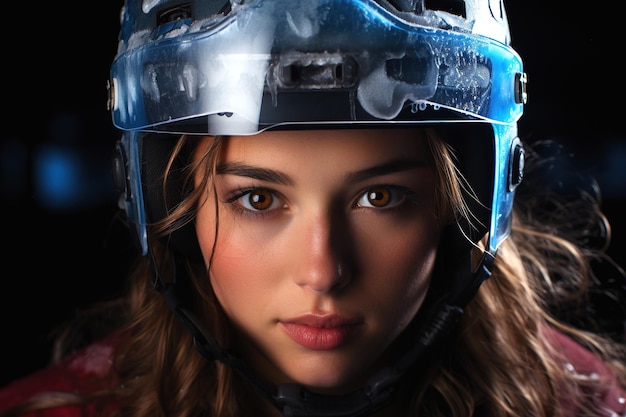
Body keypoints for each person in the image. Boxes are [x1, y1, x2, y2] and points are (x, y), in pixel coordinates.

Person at [1, 0, 625, 416]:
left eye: (380, 198)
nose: (324, 273)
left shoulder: (581, 403)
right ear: (171, 208)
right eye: (259, 198)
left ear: (464, 207)